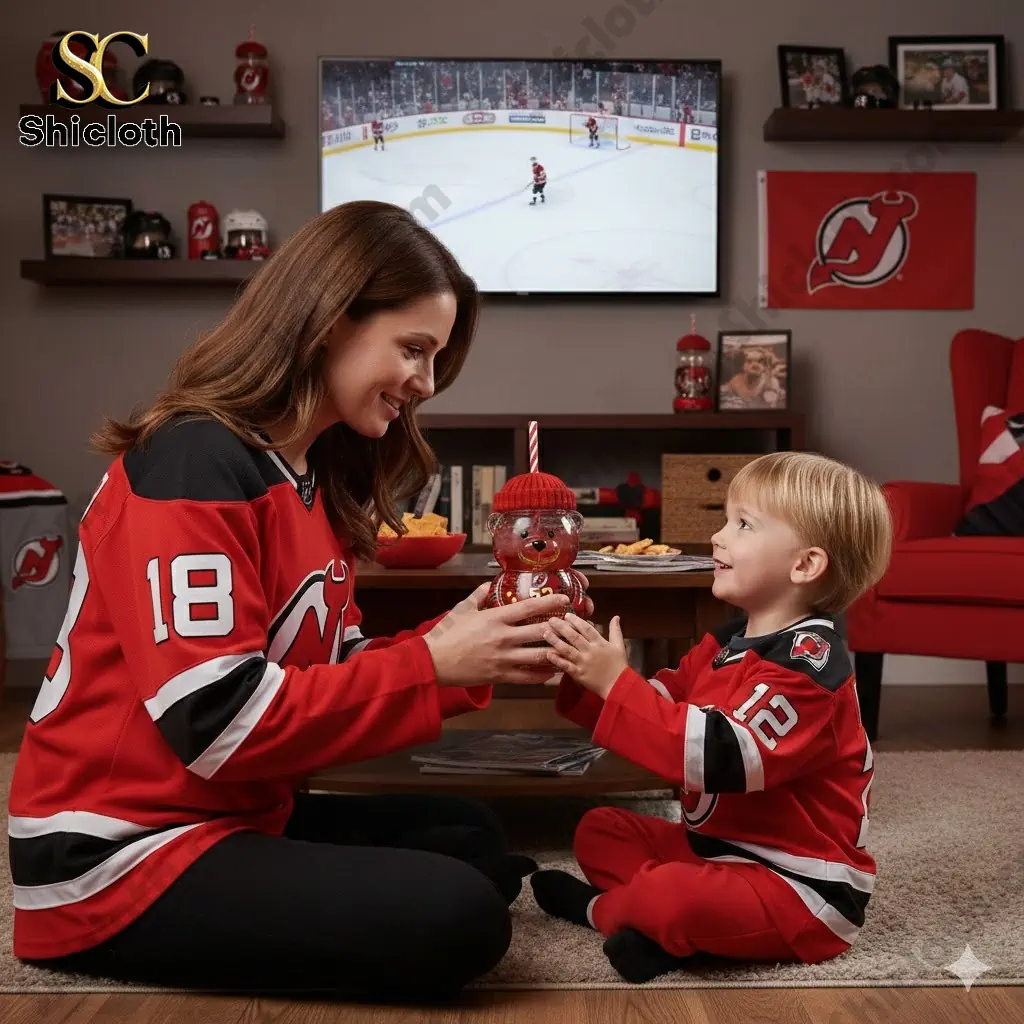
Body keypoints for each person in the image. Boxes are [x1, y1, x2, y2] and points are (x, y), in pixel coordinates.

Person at [9, 200, 590, 999]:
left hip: (230, 812)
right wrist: (429, 662)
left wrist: (467, 644)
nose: (423, 384)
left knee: (472, 836)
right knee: (460, 916)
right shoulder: (193, 460)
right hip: (116, 847)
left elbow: (330, 670)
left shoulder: (311, 475)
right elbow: (216, 724)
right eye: (414, 351)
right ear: (328, 322)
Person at [528, 451, 892, 982]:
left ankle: (604, 912)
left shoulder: (811, 667)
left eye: (742, 525)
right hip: (714, 852)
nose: (718, 537)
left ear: (805, 565)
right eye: (726, 519)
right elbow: (659, 703)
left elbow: (716, 754)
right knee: (599, 829)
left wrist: (613, 680)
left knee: (666, 893)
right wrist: (578, 669)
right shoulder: (726, 642)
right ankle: (678, 931)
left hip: (798, 886)